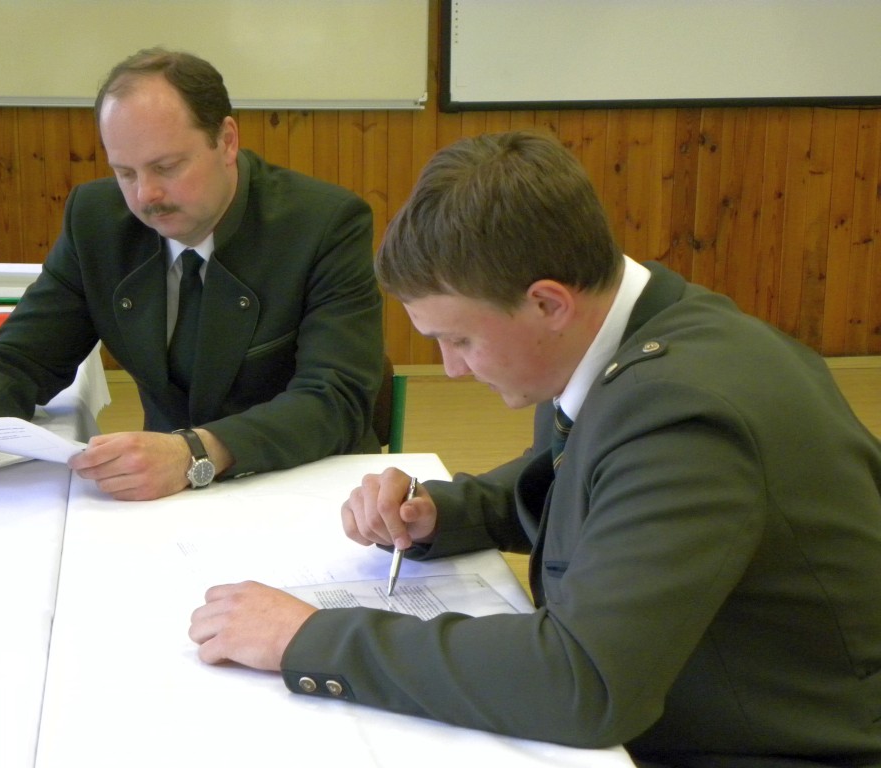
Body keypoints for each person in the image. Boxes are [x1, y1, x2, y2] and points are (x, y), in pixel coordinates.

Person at [187, 131, 881, 767]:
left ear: (549, 303)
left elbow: (584, 684)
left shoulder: (683, 416)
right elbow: (585, 475)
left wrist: (308, 639)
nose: (452, 369)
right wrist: (443, 512)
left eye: (460, 339)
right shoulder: (631, 329)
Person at [0, 48, 383, 501]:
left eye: (167, 167)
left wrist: (196, 452)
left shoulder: (323, 224)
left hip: (301, 482)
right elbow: (27, 355)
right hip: (168, 496)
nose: (145, 195)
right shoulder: (97, 220)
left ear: (227, 141)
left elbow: (336, 397)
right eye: (125, 173)